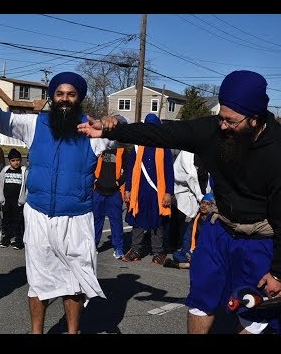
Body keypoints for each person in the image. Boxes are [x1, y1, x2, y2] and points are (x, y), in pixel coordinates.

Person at [77, 70, 281, 334]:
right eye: (221, 118)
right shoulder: (213, 130)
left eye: (231, 122)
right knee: (200, 298)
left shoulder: (276, 153)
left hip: (260, 239)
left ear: (254, 119)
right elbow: (162, 134)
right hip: (219, 230)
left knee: (255, 313)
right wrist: (111, 129)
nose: (222, 126)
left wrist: (277, 272)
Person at [0, 71, 117, 334]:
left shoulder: (91, 129)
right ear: (52, 97)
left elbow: (123, 133)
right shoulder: (35, 125)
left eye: (71, 95)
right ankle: (36, 330)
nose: (65, 99)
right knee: (38, 280)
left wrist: (115, 120)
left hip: (76, 218)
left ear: (79, 98)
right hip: (38, 215)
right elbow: (0, 119)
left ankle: (73, 331)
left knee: (75, 282)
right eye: (60, 94)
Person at [122, 113, 174, 265]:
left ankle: (158, 252)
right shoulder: (137, 148)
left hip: (158, 193)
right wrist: (128, 189)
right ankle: (135, 249)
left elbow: (169, 172)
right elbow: (130, 169)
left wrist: (168, 193)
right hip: (139, 191)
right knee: (137, 221)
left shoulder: (164, 148)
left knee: (157, 222)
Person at [93, 142, 129, 259]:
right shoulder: (99, 147)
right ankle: (93, 246)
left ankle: (118, 248)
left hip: (115, 192)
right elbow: (91, 164)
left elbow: (128, 170)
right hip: (98, 191)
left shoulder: (122, 150)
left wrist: (119, 182)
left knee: (116, 221)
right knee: (96, 221)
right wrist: (95, 180)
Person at [167, 150, 210, 251]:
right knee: (178, 218)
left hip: (200, 187)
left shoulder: (207, 152)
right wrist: (201, 197)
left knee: (199, 219)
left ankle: (195, 243)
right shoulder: (186, 153)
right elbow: (190, 176)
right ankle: (174, 243)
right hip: (182, 190)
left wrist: (205, 194)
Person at [163, 192, 215, 269]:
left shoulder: (214, 221)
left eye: (207, 204)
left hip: (207, 252)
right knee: (176, 255)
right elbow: (187, 238)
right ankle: (195, 263)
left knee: (211, 259)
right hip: (194, 250)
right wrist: (187, 252)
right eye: (202, 203)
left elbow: (211, 244)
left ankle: (182, 265)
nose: (203, 206)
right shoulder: (195, 219)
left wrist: (196, 254)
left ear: (213, 207)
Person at [0, 148, 28, 250]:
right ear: (9, 161)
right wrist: (0, 197)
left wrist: (24, 199)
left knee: (18, 222)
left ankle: (19, 241)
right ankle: (6, 239)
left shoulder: (24, 171)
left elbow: (28, 187)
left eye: (18, 160)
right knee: (6, 221)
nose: (16, 162)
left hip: (18, 202)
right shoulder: (5, 170)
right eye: (13, 160)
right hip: (7, 202)